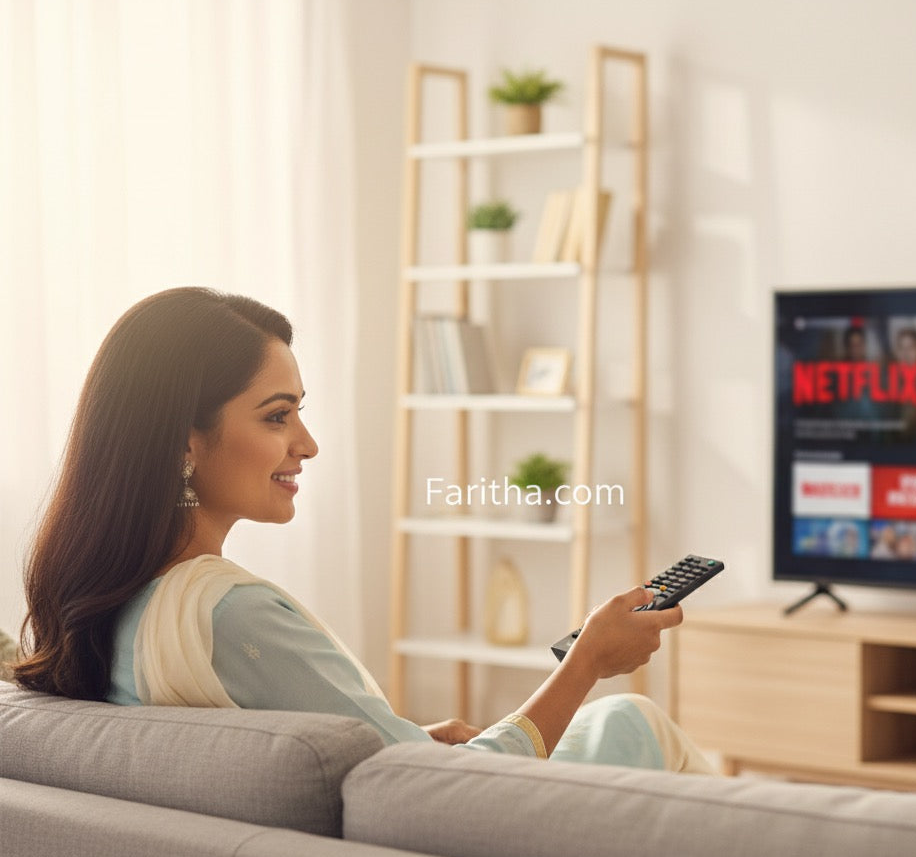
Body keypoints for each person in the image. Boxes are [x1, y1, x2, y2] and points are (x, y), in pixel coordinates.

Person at [13, 287, 714, 774]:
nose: (308, 443)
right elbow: (441, 799)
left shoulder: (113, 614)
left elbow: (374, 770)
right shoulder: (231, 617)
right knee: (630, 724)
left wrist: (403, 740)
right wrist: (586, 660)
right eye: (277, 415)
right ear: (184, 441)